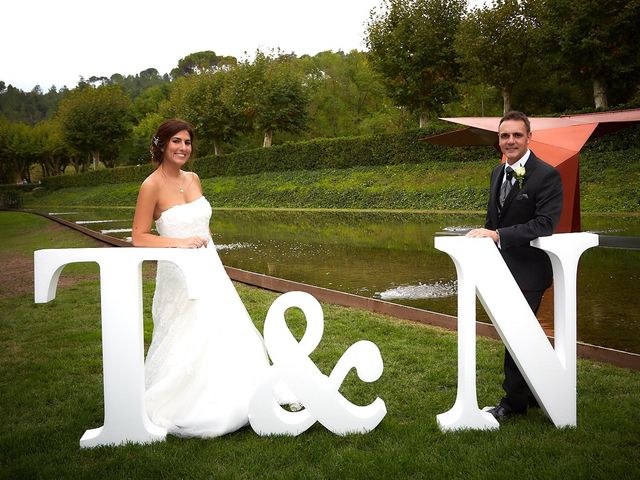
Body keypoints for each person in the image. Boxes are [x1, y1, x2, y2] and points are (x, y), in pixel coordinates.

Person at [131, 119, 276, 437]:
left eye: (187, 142)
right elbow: (139, 237)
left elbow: (201, 222)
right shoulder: (151, 185)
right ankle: (187, 400)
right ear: (162, 145)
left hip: (209, 268)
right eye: (176, 142)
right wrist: (180, 243)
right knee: (186, 333)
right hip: (178, 275)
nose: (183, 148)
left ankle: (237, 391)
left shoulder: (194, 178)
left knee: (224, 329)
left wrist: (206, 247)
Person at [466, 111, 563, 421]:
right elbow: (493, 220)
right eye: (504, 136)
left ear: (529, 137)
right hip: (501, 270)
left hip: (530, 272)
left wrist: (498, 235)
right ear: (499, 140)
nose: (510, 141)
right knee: (516, 335)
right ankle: (537, 391)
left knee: (515, 338)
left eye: (517, 135)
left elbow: (545, 224)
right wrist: (482, 239)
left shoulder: (547, 175)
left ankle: (513, 404)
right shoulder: (497, 173)